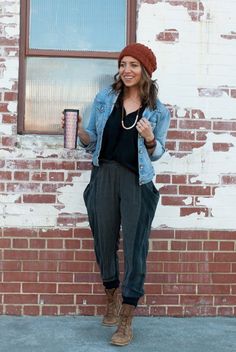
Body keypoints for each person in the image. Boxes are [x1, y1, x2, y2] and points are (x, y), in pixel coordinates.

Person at [62, 43, 170, 346]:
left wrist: (149, 139)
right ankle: (110, 296)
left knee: (136, 249)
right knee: (104, 241)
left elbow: (159, 151)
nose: (127, 70)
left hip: (137, 181)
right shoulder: (104, 99)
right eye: (123, 64)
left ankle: (126, 317)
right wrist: (80, 130)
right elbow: (91, 140)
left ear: (146, 71)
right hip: (104, 175)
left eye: (134, 64)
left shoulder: (159, 111)